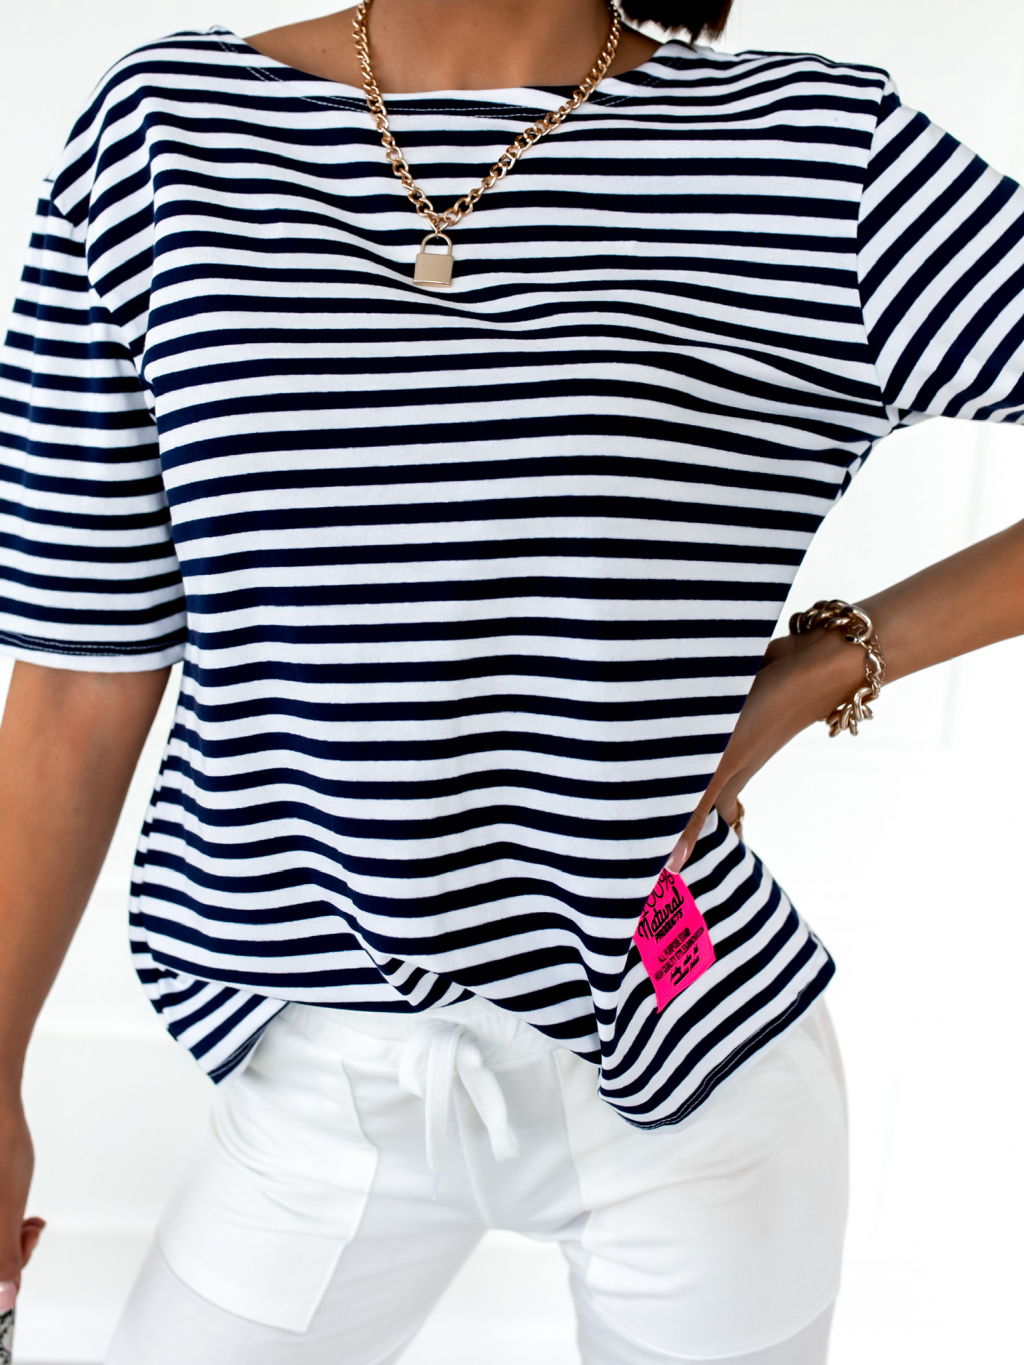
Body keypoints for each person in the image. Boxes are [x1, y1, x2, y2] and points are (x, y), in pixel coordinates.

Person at [0, 0, 1022, 1360]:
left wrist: (827, 661)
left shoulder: (815, 157)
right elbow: (79, 673)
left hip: (691, 1050)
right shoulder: (165, 137)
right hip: (319, 1074)